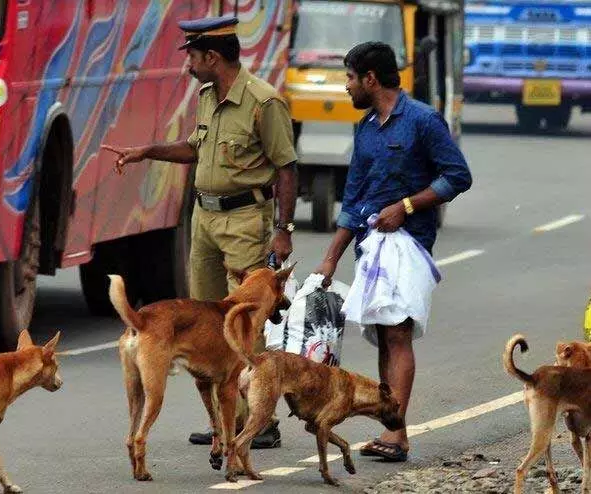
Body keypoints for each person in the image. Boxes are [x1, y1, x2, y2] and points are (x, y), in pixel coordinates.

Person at [102, 15, 298, 449]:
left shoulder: (264, 102)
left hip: (245, 218)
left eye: (191, 57)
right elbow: (195, 148)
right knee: (207, 321)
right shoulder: (208, 96)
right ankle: (223, 422)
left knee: (245, 323)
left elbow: (286, 168)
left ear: (212, 57)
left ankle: (258, 422)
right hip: (204, 217)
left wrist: (283, 229)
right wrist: (146, 152)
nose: (187, 66)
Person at [314, 41, 472, 462]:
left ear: (370, 79)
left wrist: (406, 207)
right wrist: (330, 258)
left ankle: (397, 434)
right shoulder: (366, 128)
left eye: (350, 78)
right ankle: (393, 428)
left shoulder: (422, 120)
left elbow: (457, 176)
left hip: (411, 245)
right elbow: (353, 199)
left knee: (399, 332)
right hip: (370, 247)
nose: (346, 86)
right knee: (385, 336)